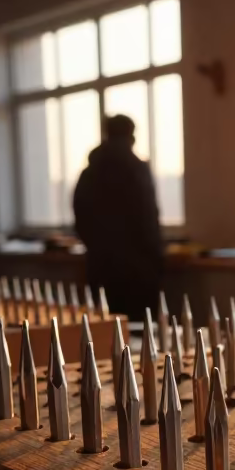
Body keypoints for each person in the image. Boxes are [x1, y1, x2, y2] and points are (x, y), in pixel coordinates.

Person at [72, 114, 165, 319]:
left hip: (100, 267)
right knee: (142, 338)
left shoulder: (89, 173)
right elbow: (147, 218)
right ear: (131, 135)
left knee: (104, 336)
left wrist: (97, 247)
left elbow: (80, 218)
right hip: (137, 271)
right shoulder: (136, 169)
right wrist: (157, 255)